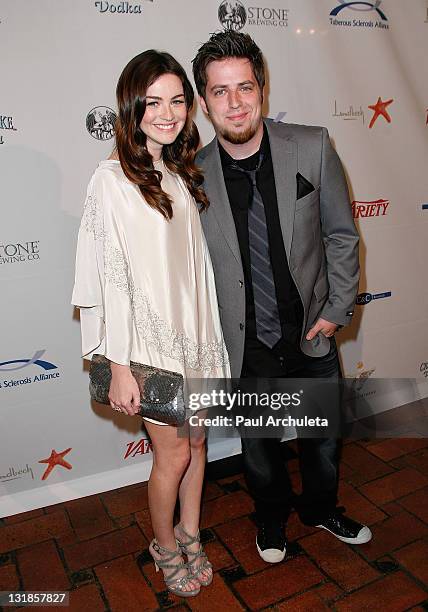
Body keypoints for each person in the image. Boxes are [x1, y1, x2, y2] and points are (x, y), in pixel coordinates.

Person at [192, 31, 372, 563]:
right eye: (220, 92)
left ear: (262, 89)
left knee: (321, 442)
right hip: (245, 344)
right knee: (262, 450)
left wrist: (336, 311)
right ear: (203, 102)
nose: (235, 102)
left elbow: (341, 234)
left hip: (311, 332)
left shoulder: (311, 145)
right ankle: (270, 519)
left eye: (244, 87)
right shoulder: (191, 176)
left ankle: (320, 510)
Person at [72, 50, 230, 596]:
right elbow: (105, 275)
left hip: (196, 337)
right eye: (154, 101)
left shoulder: (181, 170)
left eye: (178, 100)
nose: (168, 113)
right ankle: (163, 544)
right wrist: (118, 365)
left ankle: (190, 533)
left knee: (200, 443)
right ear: (132, 105)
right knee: (175, 451)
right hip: (146, 345)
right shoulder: (111, 179)